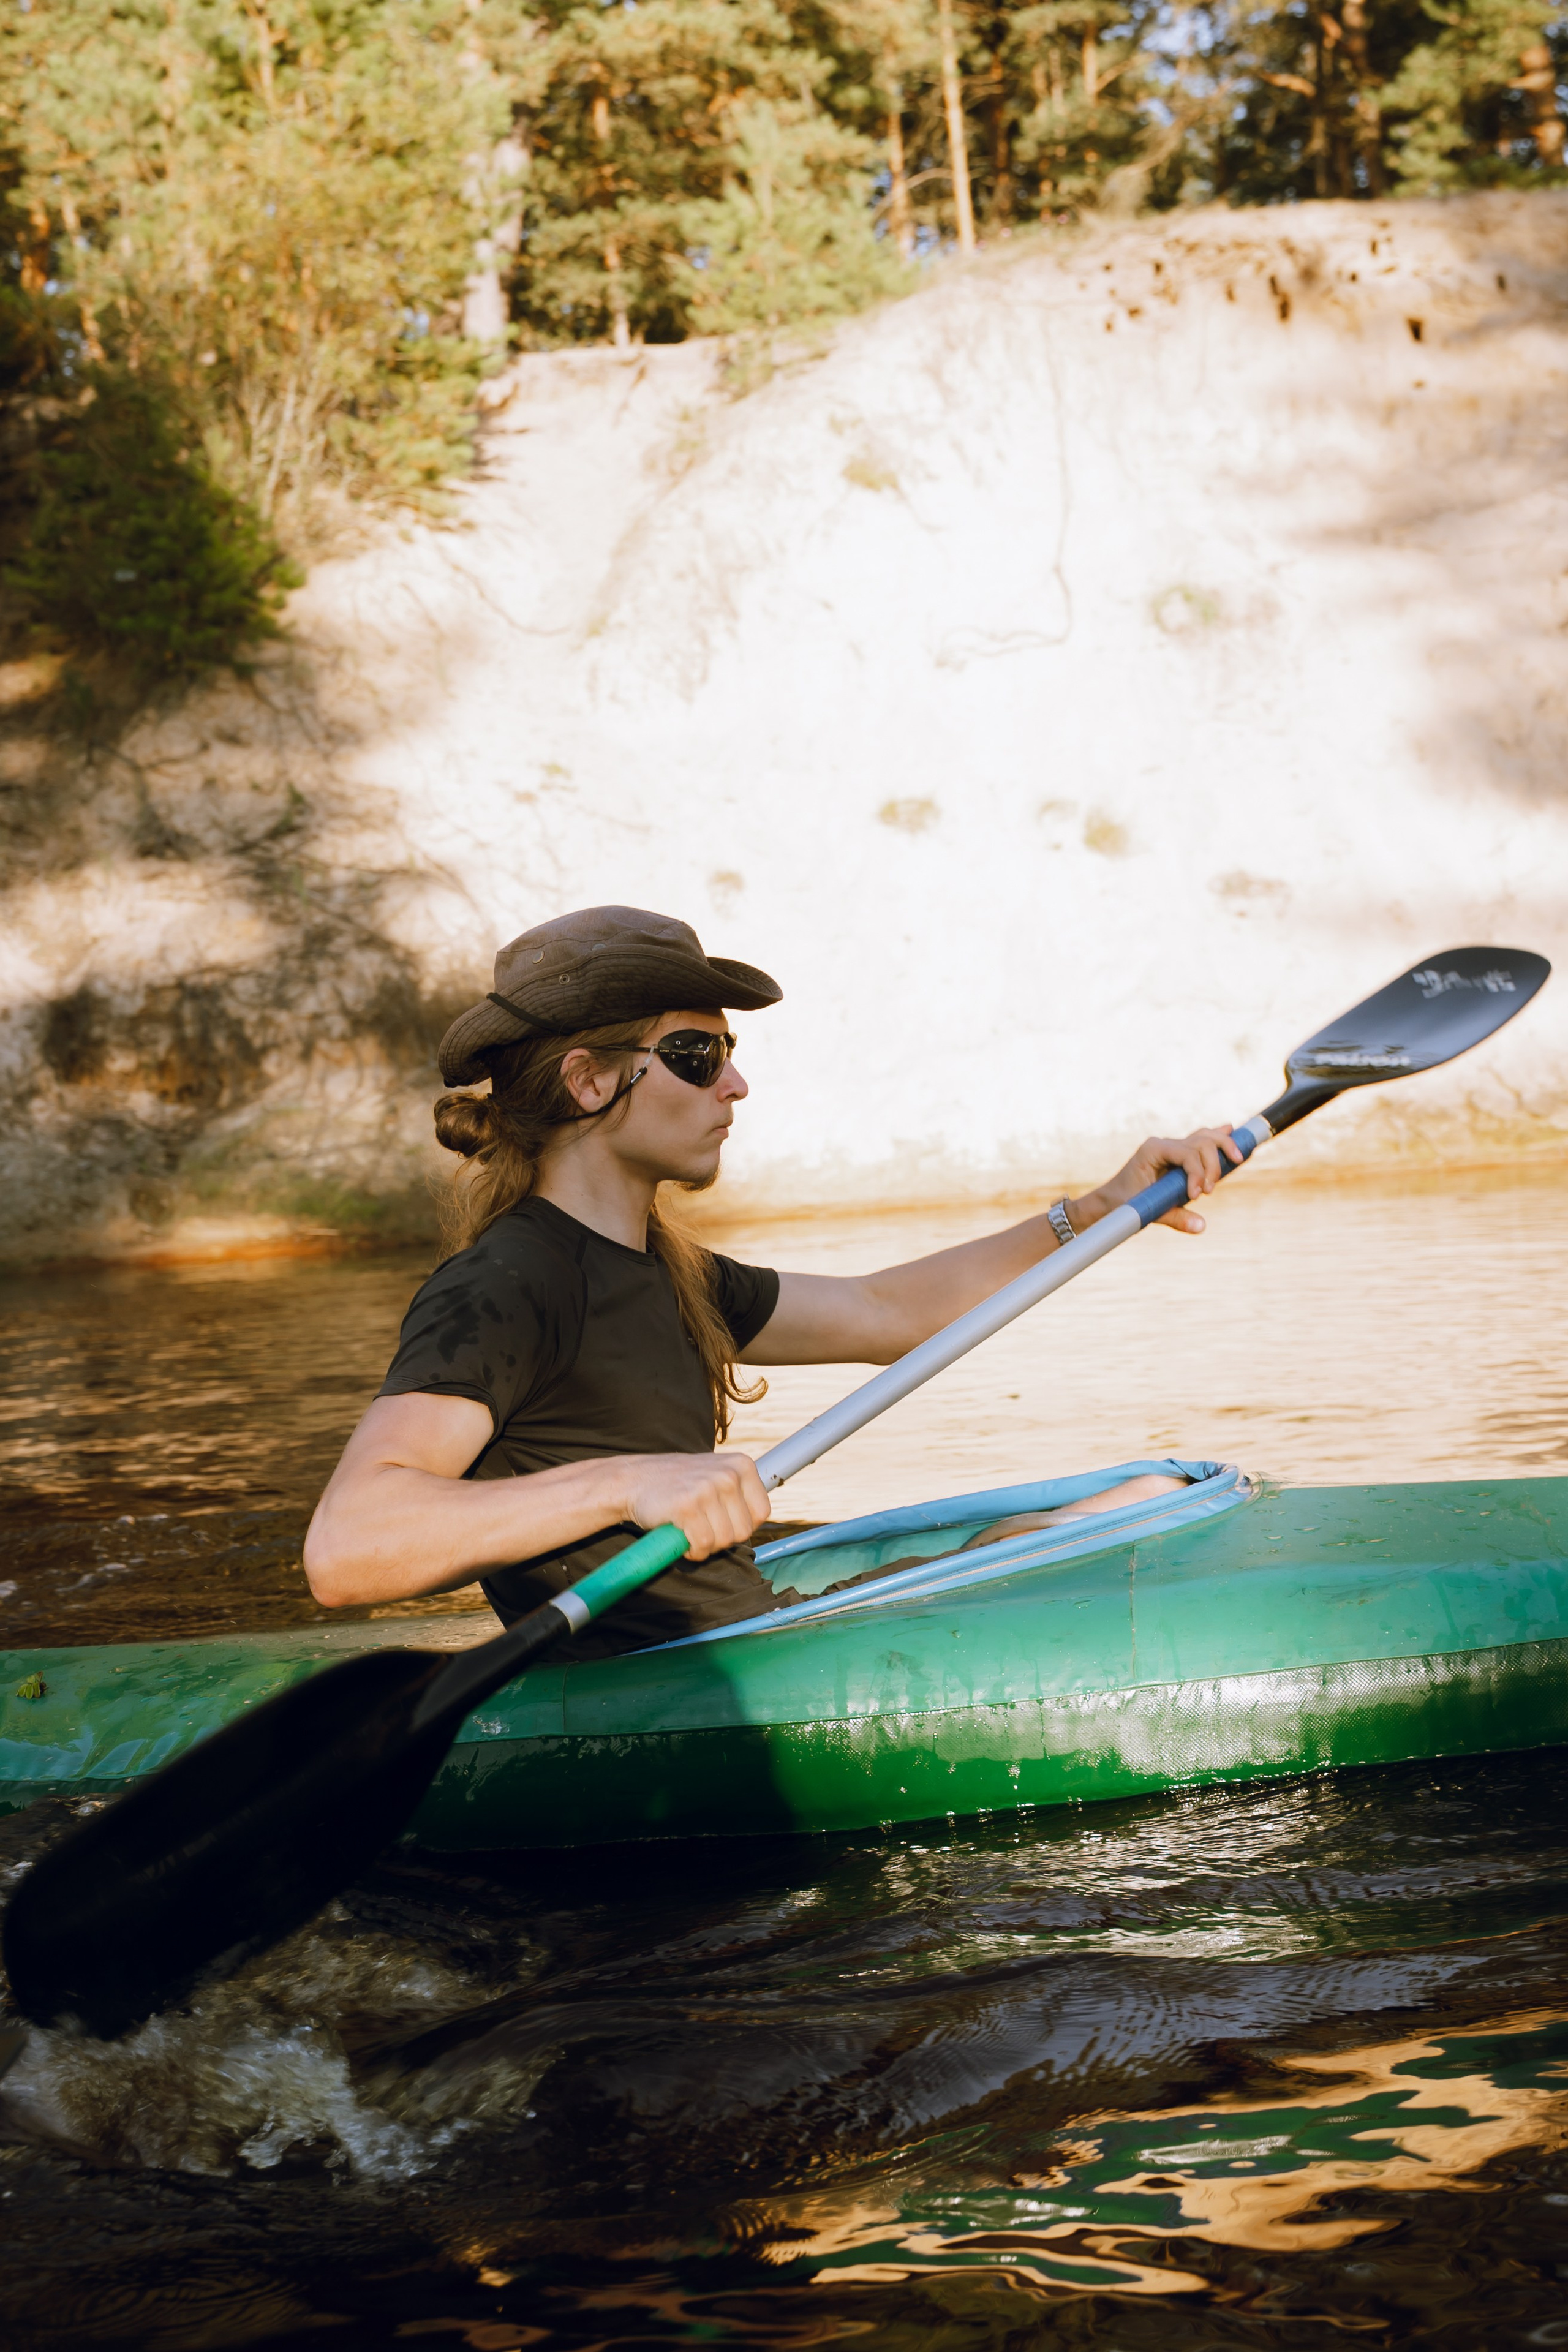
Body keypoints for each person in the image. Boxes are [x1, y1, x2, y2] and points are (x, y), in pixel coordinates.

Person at [304, 907, 1240, 1656]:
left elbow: (889, 1314)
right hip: (684, 1668)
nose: (736, 1084)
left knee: (1150, 1490)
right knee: (1143, 1508)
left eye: (728, 1054)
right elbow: (350, 1547)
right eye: (696, 1055)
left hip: (754, 1623)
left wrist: (1104, 1206)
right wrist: (629, 1485)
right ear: (589, 1082)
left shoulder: (667, 1271)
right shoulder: (506, 1282)